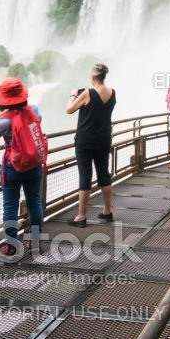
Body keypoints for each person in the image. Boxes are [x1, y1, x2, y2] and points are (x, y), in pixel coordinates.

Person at [0, 78, 44, 261]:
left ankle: (11, 244)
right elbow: (38, 122)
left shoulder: (3, 121)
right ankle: (35, 241)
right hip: (34, 163)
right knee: (34, 202)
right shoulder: (33, 110)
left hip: (12, 167)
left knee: (10, 206)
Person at [66, 63, 116, 227]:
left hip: (85, 141)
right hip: (103, 140)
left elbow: (69, 109)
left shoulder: (87, 93)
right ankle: (107, 212)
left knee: (85, 177)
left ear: (93, 77)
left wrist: (73, 95)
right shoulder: (112, 93)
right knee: (104, 175)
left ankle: (81, 216)